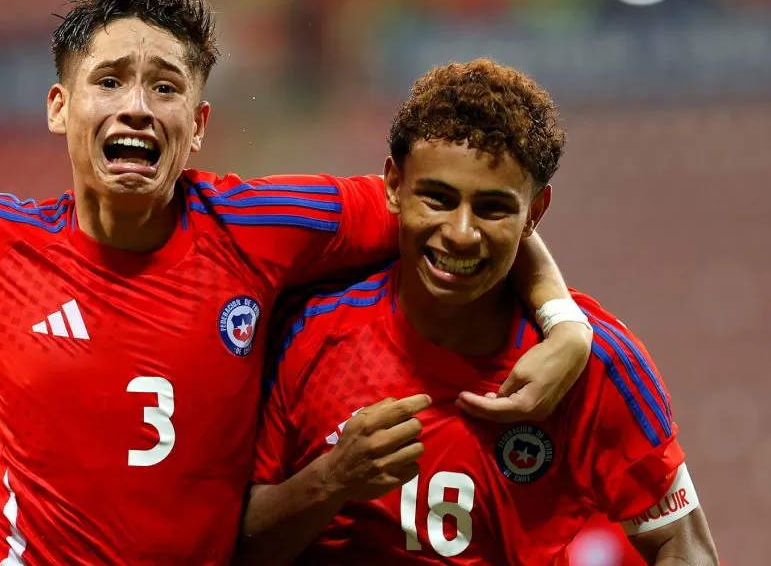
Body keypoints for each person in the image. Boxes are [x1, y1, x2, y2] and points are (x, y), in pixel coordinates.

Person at [0, 0, 592, 565]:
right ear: (61, 107)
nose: (136, 106)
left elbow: (452, 215)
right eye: (110, 81)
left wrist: (564, 323)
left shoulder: (262, 227)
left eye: (165, 87)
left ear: (196, 125)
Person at [240, 59, 719, 565]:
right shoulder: (309, 332)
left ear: (535, 213)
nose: (461, 233)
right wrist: (331, 479)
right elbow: (233, 549)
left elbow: (683, 545)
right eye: (438, 198)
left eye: (492, 208)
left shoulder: (598, 365)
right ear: (393, 186)